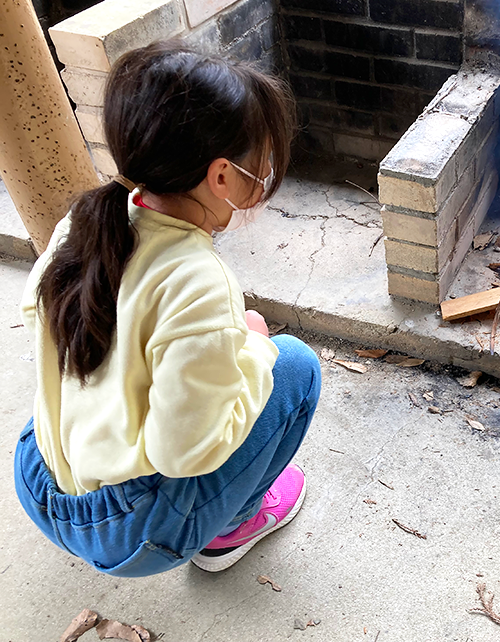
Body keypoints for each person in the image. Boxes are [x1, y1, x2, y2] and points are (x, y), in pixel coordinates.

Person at [13, 41, 321, 577]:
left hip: (37, 474)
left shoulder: (84, 221)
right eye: (261, 169)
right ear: (222, 176)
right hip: (121, 531)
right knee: (294, 366)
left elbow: (38, 319)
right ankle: (227, 530)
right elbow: (186, 452)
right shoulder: (198, 281)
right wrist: (251, 350)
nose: (263, 179)